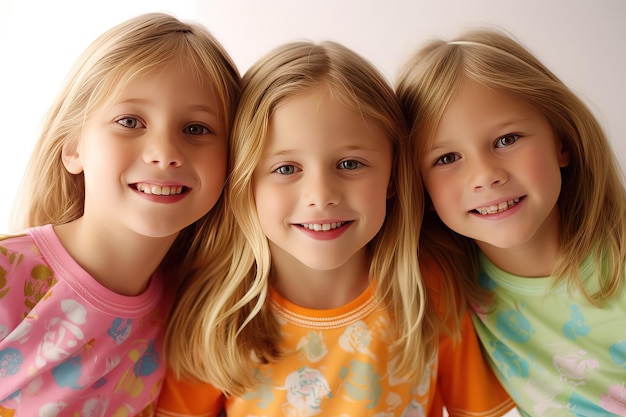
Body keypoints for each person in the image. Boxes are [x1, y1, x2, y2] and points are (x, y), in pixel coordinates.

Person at [156, 40, 513, 417]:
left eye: (350, 164)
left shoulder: (429, 289)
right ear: (244, 182)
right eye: (286, 169)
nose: (321, 196)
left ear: (393, 174)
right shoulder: (216, 315)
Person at [0, 12, 240, 416]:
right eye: (130, 122)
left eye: (196, 129)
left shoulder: (192, 311)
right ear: (74, 147)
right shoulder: (7, 275)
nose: (165, 153)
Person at [396, 27, 626, 416]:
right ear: (421, 190)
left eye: (507, 139)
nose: (485, 175)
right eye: (447, 159)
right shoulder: (444, 289)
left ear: (562, 143)